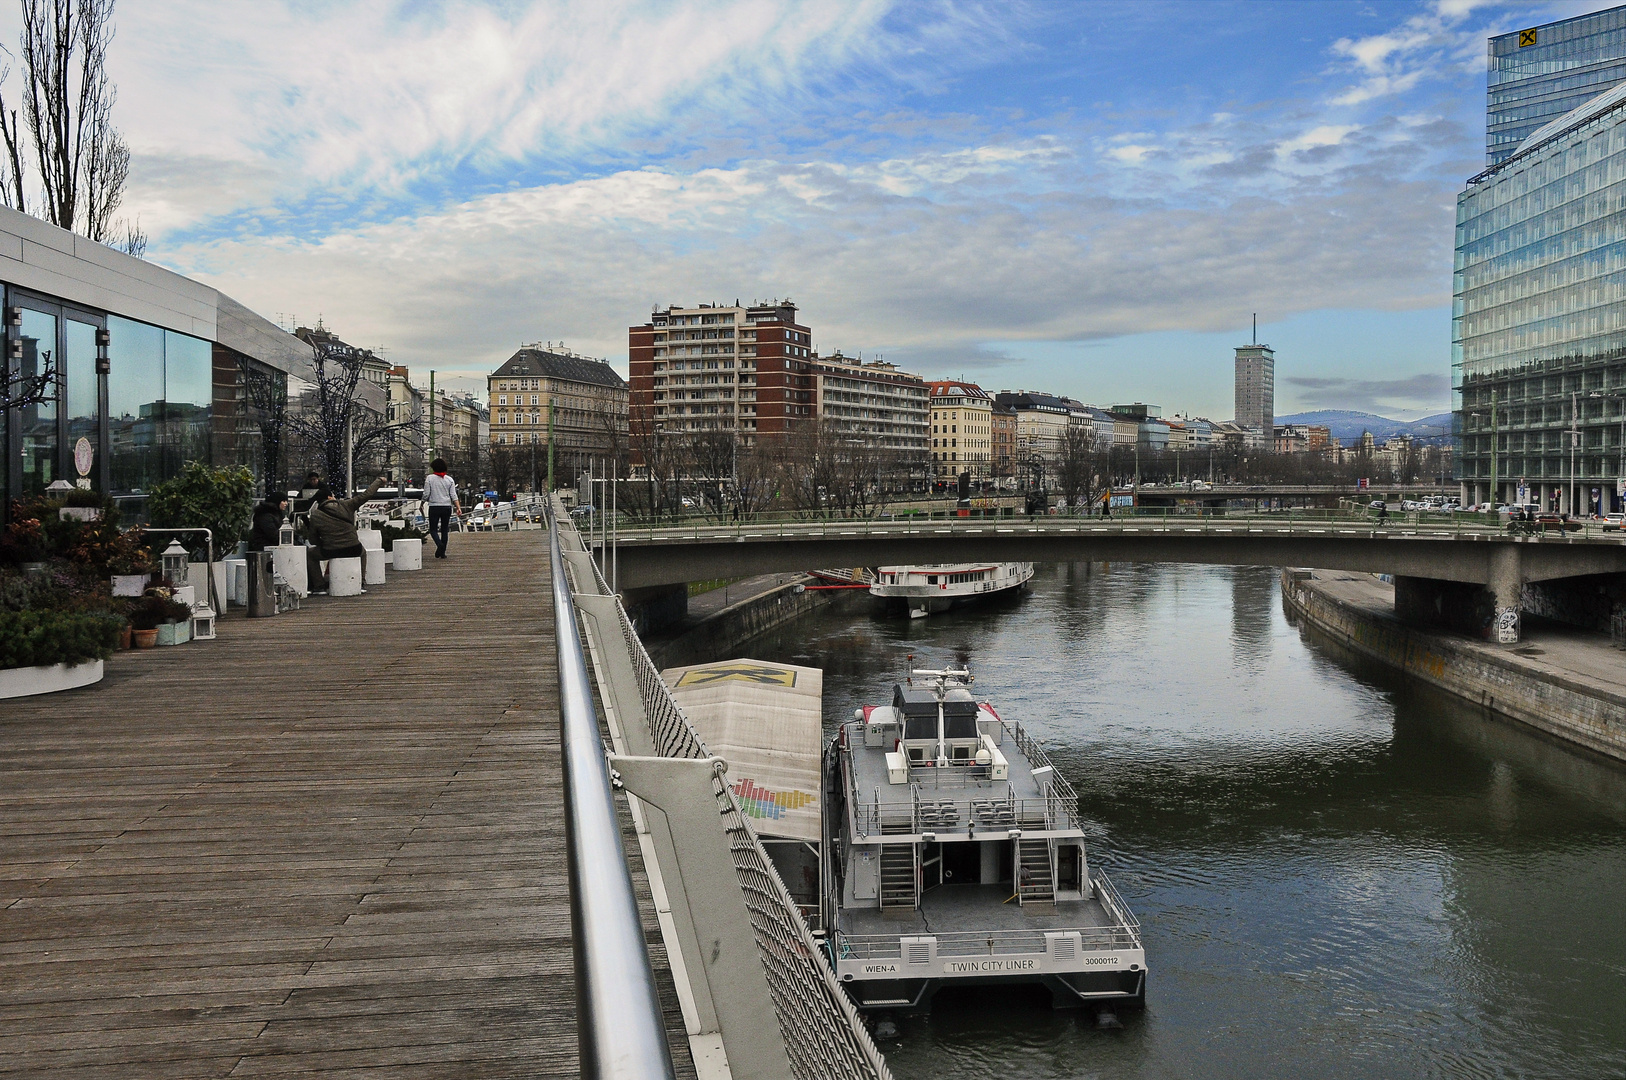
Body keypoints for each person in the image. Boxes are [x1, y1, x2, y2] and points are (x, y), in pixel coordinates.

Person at [304, 476, 386, 589]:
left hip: (330, 550)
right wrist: (379, 481)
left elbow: (313, 539)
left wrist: (325, 542)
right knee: (363, 553)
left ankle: (319, 585)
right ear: (329, 497)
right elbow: (366, 495)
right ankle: (361, 581)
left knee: (310, 555)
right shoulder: (347, 505)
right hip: (353, 548)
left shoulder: (315, 515)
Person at [424, 458, 461, 560]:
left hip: (434, 507)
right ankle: (443, 552)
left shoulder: (429, 478)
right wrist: (458, 508)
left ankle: (439, 544)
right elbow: (453, 495)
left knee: (433, 529)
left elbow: (426, 493)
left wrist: (422, 502)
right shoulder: (449, 480)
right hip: (446, 507)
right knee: (445, 530)